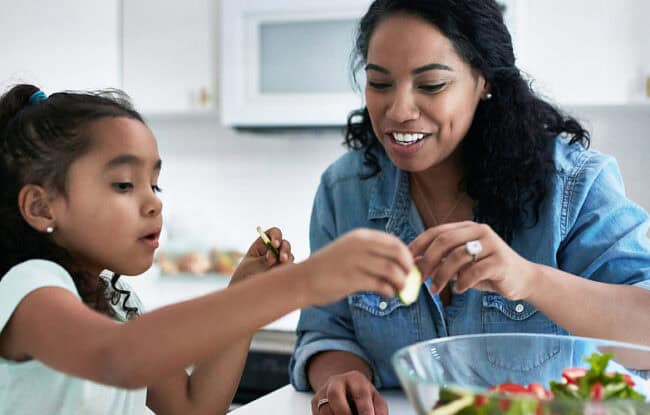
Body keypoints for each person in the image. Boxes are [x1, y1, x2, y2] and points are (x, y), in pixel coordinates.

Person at [289, 1, 650, 414]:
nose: (399, 111)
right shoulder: (344, 190)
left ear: (484, 81)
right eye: (380, 83)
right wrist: (342, 376)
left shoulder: (573, 184)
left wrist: (529, 279)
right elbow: (327, 331)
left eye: (432, 86)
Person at [0, 84, 415, 414]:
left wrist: (241, 293)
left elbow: (193, 408)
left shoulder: (118, 306)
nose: (154, 202)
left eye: (154, 183)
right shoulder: (29, 290)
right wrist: (302, 282)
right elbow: (116, 358)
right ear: (41, 206)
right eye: (124, 184)